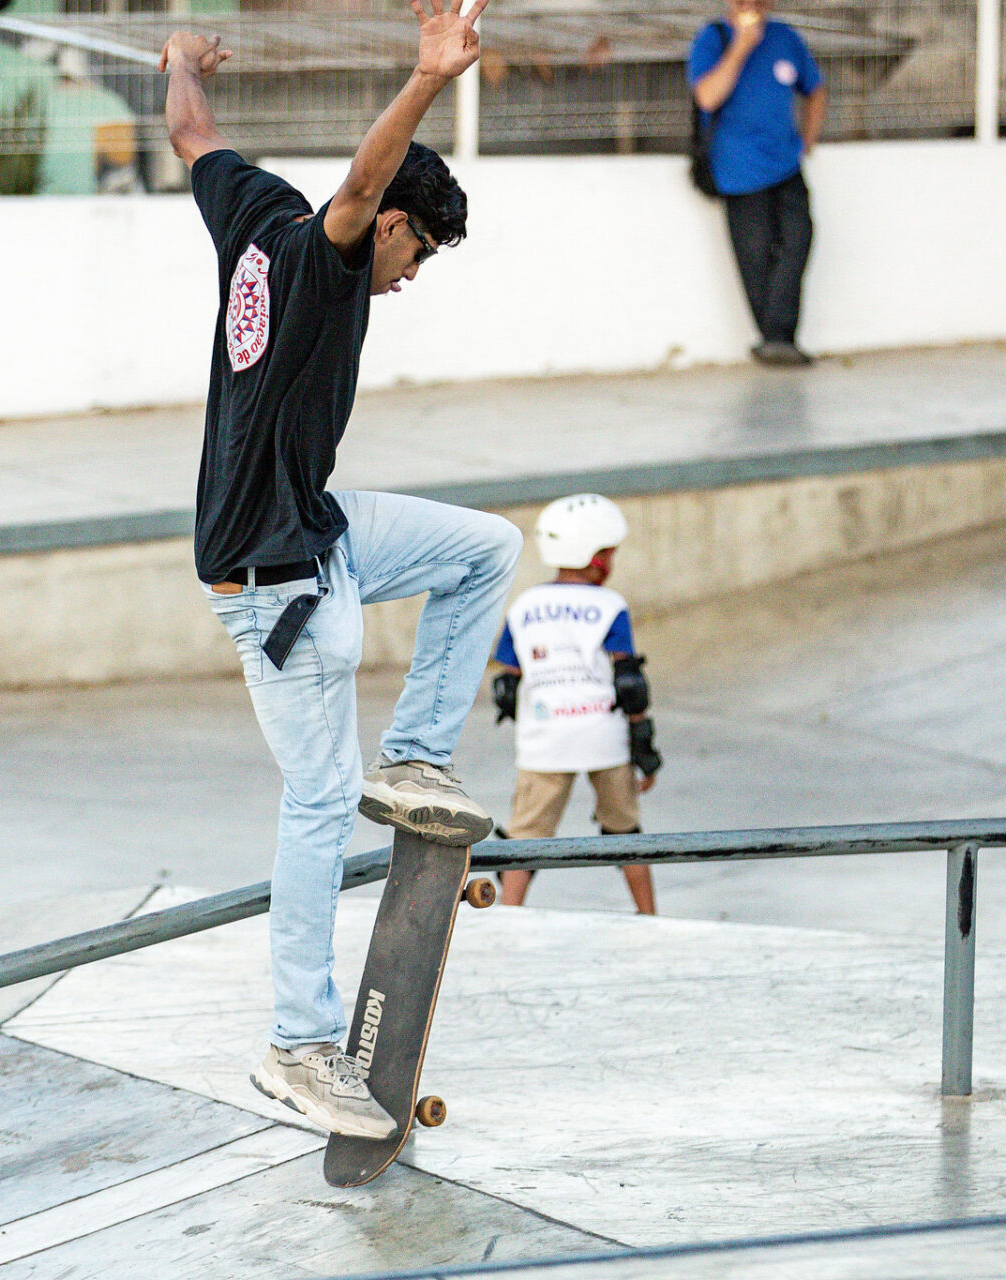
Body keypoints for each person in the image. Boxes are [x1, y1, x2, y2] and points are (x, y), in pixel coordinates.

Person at [160, 0, 522, 1141]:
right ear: (393, 224)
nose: (408, 279)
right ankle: (296, 1042)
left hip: (315, 522)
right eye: (417, 254)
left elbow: (190, 136)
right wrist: (424, 77)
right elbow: (362, 189)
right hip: (272, 571)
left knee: (485, 548)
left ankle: (416, 750)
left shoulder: (252, 207)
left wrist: (179, 63)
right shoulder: (326, 250)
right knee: (317, 798)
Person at [489, 494, 663, 914]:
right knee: (625, 833)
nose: (611, 562)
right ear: (595, 557)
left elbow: (507, 684)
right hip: (602, 737)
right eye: (609, 553)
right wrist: (643, 742)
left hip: (545, 740)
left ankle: (510, 917)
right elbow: (629, 682)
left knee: (524, 838)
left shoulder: (523, 606)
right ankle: (649, 916)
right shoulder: (609, 605)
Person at [689, 0, 827, 367]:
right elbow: (706, 96)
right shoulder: (712, 38)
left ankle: (777, 335)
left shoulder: (785, 38)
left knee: (799, 238)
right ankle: (776, 339)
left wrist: (807, 141)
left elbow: (815, 90)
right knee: (755, 255)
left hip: (785, 162)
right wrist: (741, 46)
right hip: (738, 168)